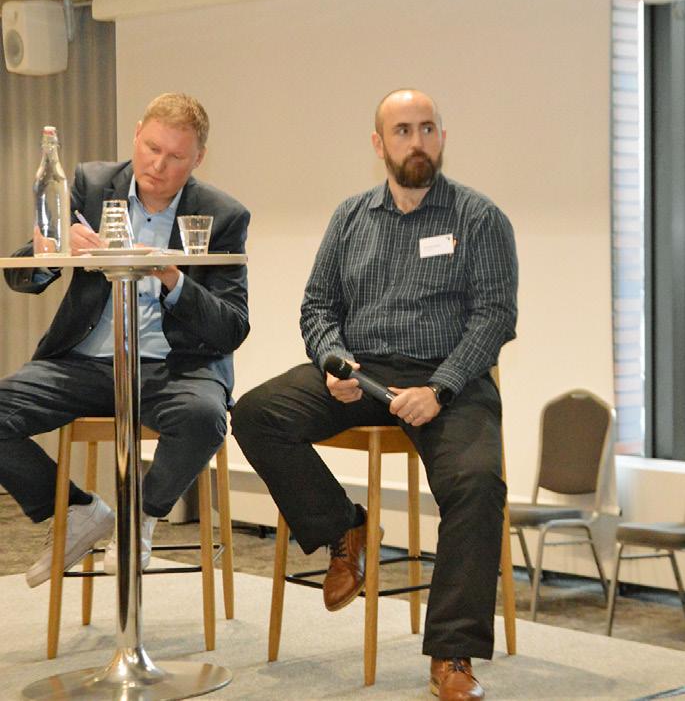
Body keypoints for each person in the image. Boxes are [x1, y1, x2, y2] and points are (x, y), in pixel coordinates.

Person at [231, 89, 516, 701]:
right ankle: (345, 529)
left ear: (443, 137)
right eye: (403, 130)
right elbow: (317, 307)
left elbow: (495, 317)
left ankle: (452, 655)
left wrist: (439, 388)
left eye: (428, 128)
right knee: (255, 414)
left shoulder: (479, 218)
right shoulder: (350, 217)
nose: (417, 142)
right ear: (378, 144)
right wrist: (333, 361)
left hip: (450, 377)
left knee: (477, 482)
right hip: (363, 372)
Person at [1, 92, 249, 586]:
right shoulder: (92, 185)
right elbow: (22, 275)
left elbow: (231, 327)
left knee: (204, 418)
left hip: (174, 367)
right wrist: (53, 251)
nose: (158, 165)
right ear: (136, 134)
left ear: (198, 158)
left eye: (175, 156)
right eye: (152, 148)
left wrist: (174, 279)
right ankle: (77, 512)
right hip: (84, 362)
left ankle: (139, 518)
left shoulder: (222, 214)